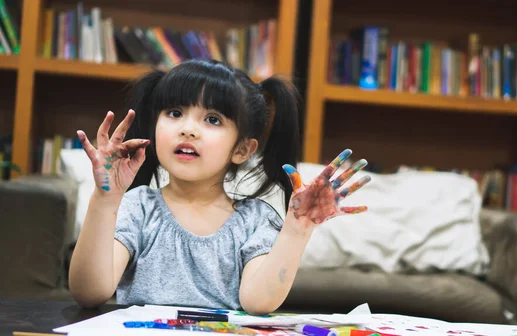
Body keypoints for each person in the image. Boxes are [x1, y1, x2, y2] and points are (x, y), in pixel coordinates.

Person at [68, 59, 371, 315]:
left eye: (212, 119)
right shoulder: (138, 207)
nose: (188, 128)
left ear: (242, 149)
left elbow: (258, 302)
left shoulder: (255, 220)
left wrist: (297, 229)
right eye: (175, 113)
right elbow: (90, 293)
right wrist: (106, 200)